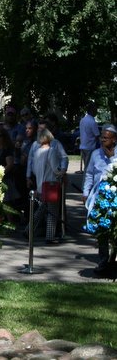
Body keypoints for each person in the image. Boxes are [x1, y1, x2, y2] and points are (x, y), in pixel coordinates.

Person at [82, 124, 117, 276]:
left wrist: (110, 158)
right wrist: (85, 191)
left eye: (106, 138)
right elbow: (89, 174)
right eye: (102, 137)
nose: (103, 140)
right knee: (102, 230)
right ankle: (103, 260)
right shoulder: (96, 154)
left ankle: (112, 260)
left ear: (114, 139)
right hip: (99, 197)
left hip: (114, 198)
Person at [27, 127, 65, 244]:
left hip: (40, 184)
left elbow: (33, 168)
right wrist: (62, 171)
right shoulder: (51, 150)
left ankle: (28, 229)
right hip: (51, 184)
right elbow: (55, 169)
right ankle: (50, 236)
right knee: (52, 212)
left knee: (41, 210)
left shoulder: (37, 151)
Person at [79, 102, 100, 174]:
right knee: (89, 168)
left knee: (86, 166)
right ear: (92, 110)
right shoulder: (92, 122)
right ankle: (85, 183)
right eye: (95, 109)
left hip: (83, 145)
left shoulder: (82, 120)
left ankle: (85, 181)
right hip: (90, 147)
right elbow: (97, 135)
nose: (96, 111)